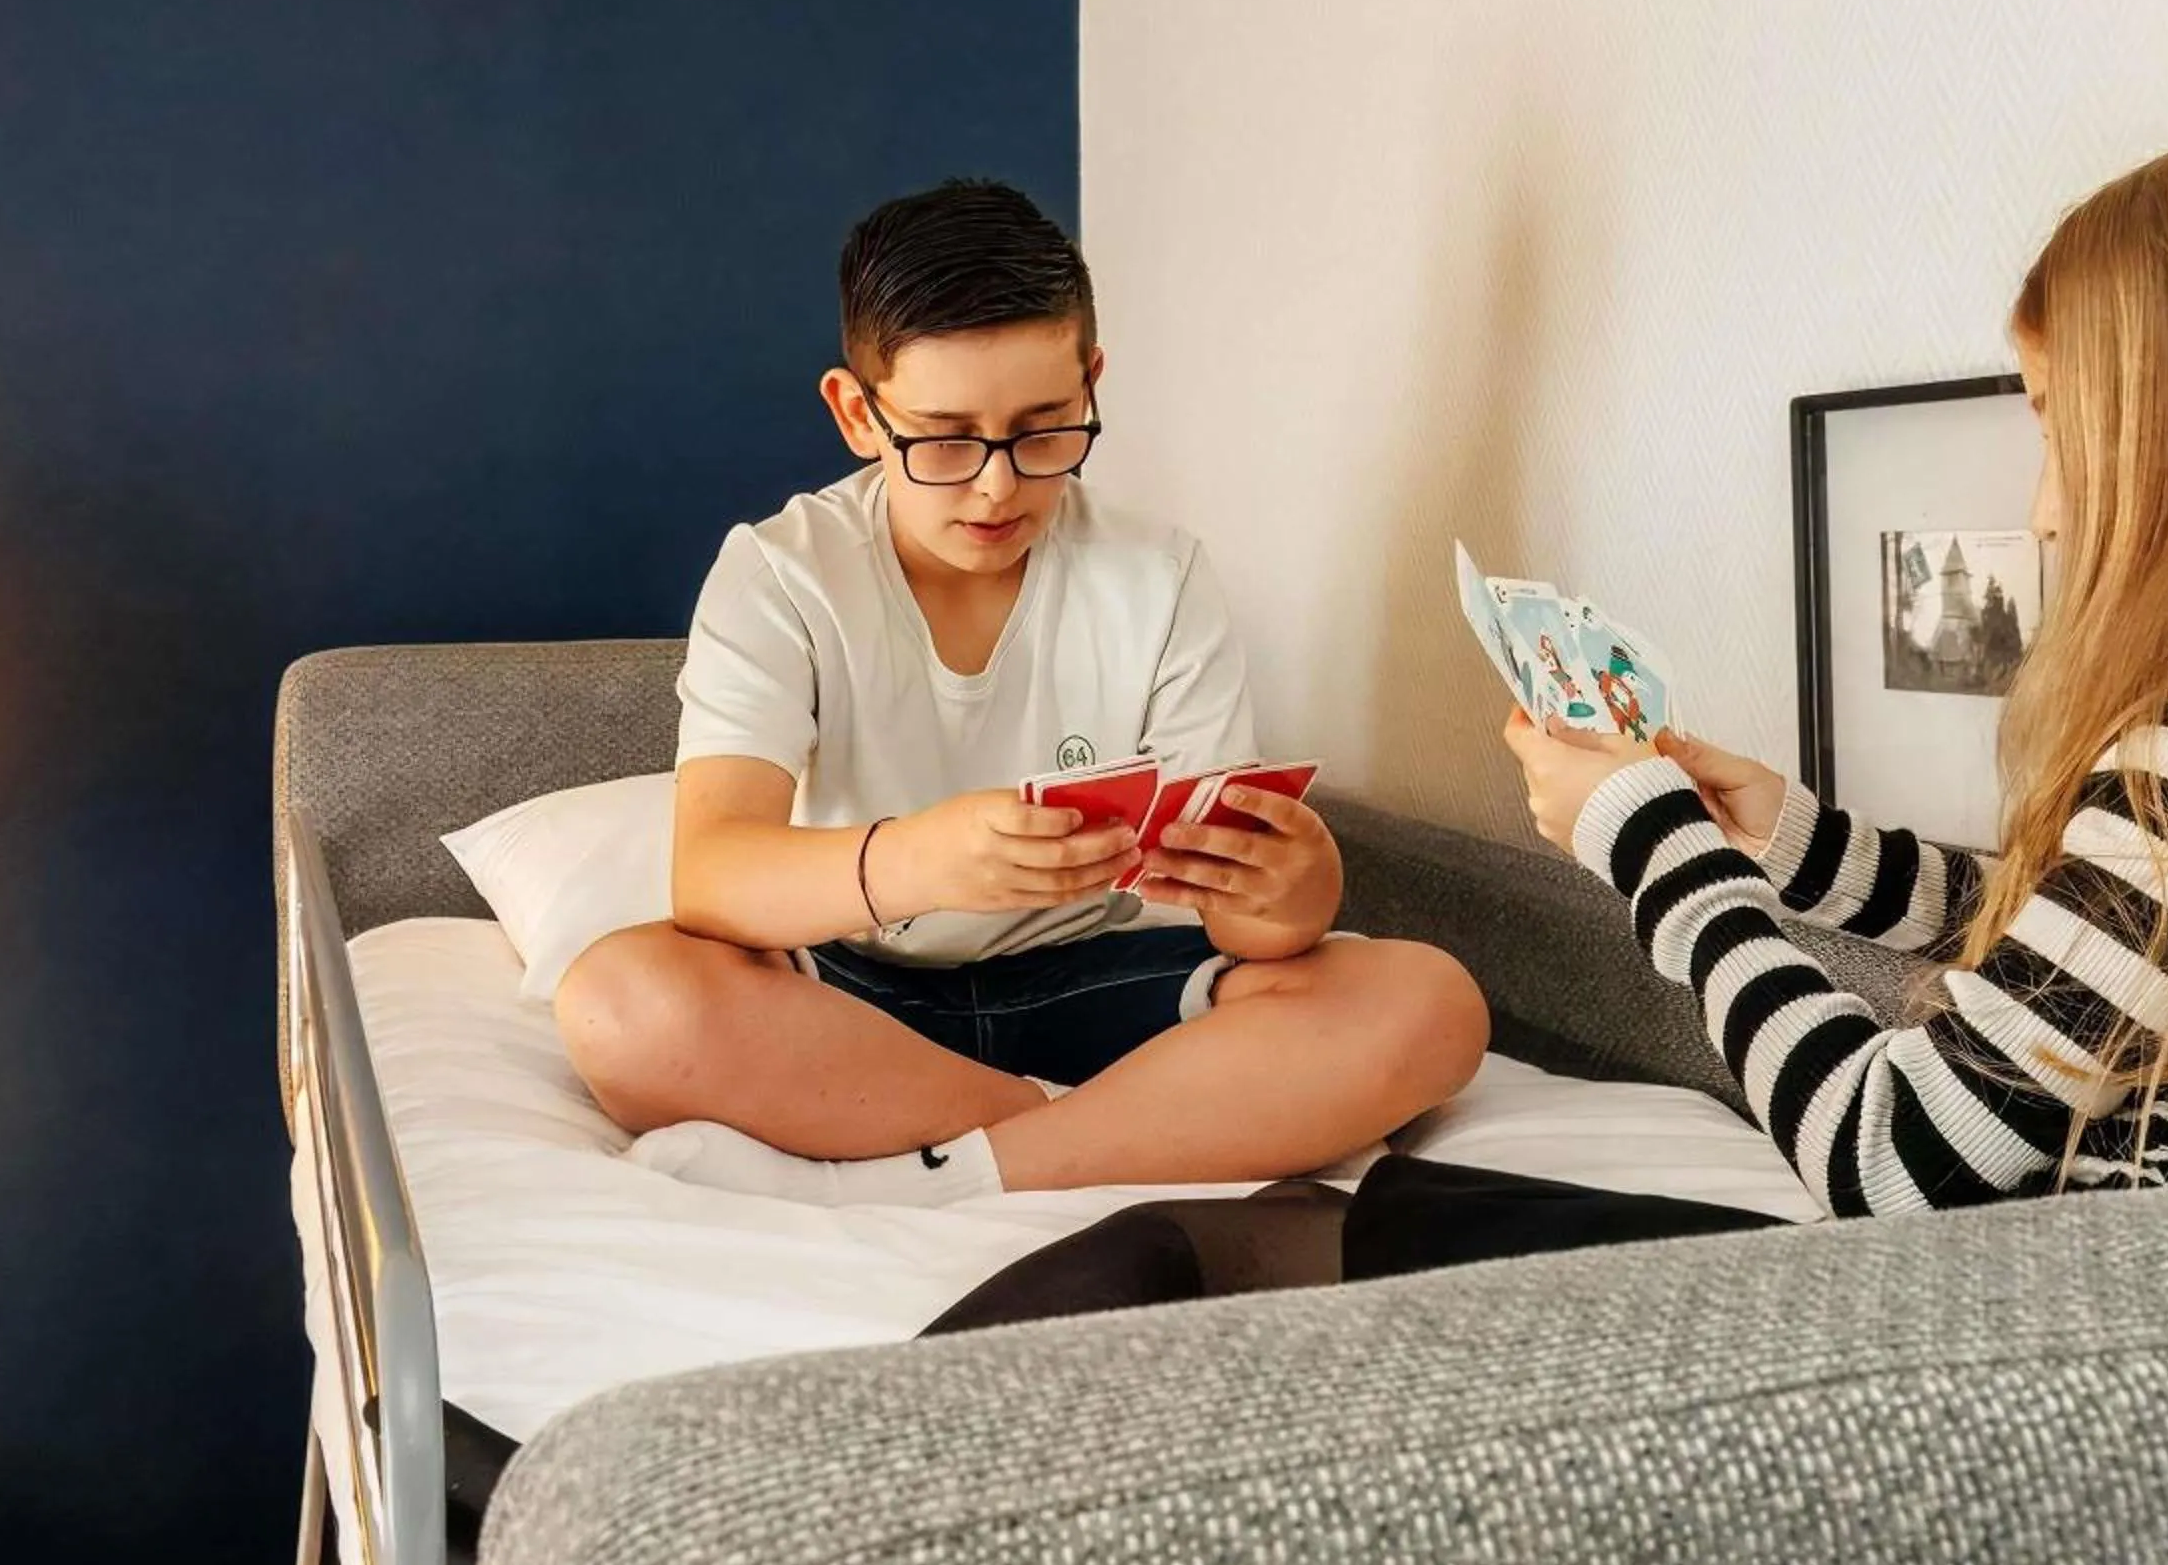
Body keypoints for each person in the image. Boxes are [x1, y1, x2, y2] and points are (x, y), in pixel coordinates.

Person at [1507, 107, 2168, 1213]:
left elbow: (1882, 1156)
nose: (2044, 515)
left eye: (2062, 435)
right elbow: (2111, 946)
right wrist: (1802, 847)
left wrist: (1662, 856)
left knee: (1449, 1215)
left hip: (2088, 1321)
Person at [558, 179, 1488, 1204]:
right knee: (619, 1001)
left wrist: (1294, 892)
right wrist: (925, 859)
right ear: (857, 414)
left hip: (1097, 974)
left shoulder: (1158, 573)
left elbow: (1247, 932)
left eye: (1044, 430)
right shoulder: (783, 573)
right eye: (946, 439)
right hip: (849, 996)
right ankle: (1100, 1134)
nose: (997, 485)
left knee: (1429, 1002)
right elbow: (715, 877)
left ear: (1091, 383)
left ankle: (933, 1173)